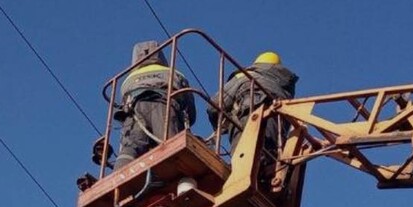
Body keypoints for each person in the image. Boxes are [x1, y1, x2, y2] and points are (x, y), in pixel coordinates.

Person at [113, 41, 196, 169]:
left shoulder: (126, 81)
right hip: (163, 107)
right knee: (169, 145)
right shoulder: (175, 73)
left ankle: (118, 178)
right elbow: (190, 107)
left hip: (134, 110)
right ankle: (176, 176)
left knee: (130, 147)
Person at [207, 51, 298, 154]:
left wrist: (222, 126)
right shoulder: (285, 93)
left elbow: (215, 106)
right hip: (275, 145)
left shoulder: (246, 75)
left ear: (257, 64)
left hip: (248, 132)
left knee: (242, 164)